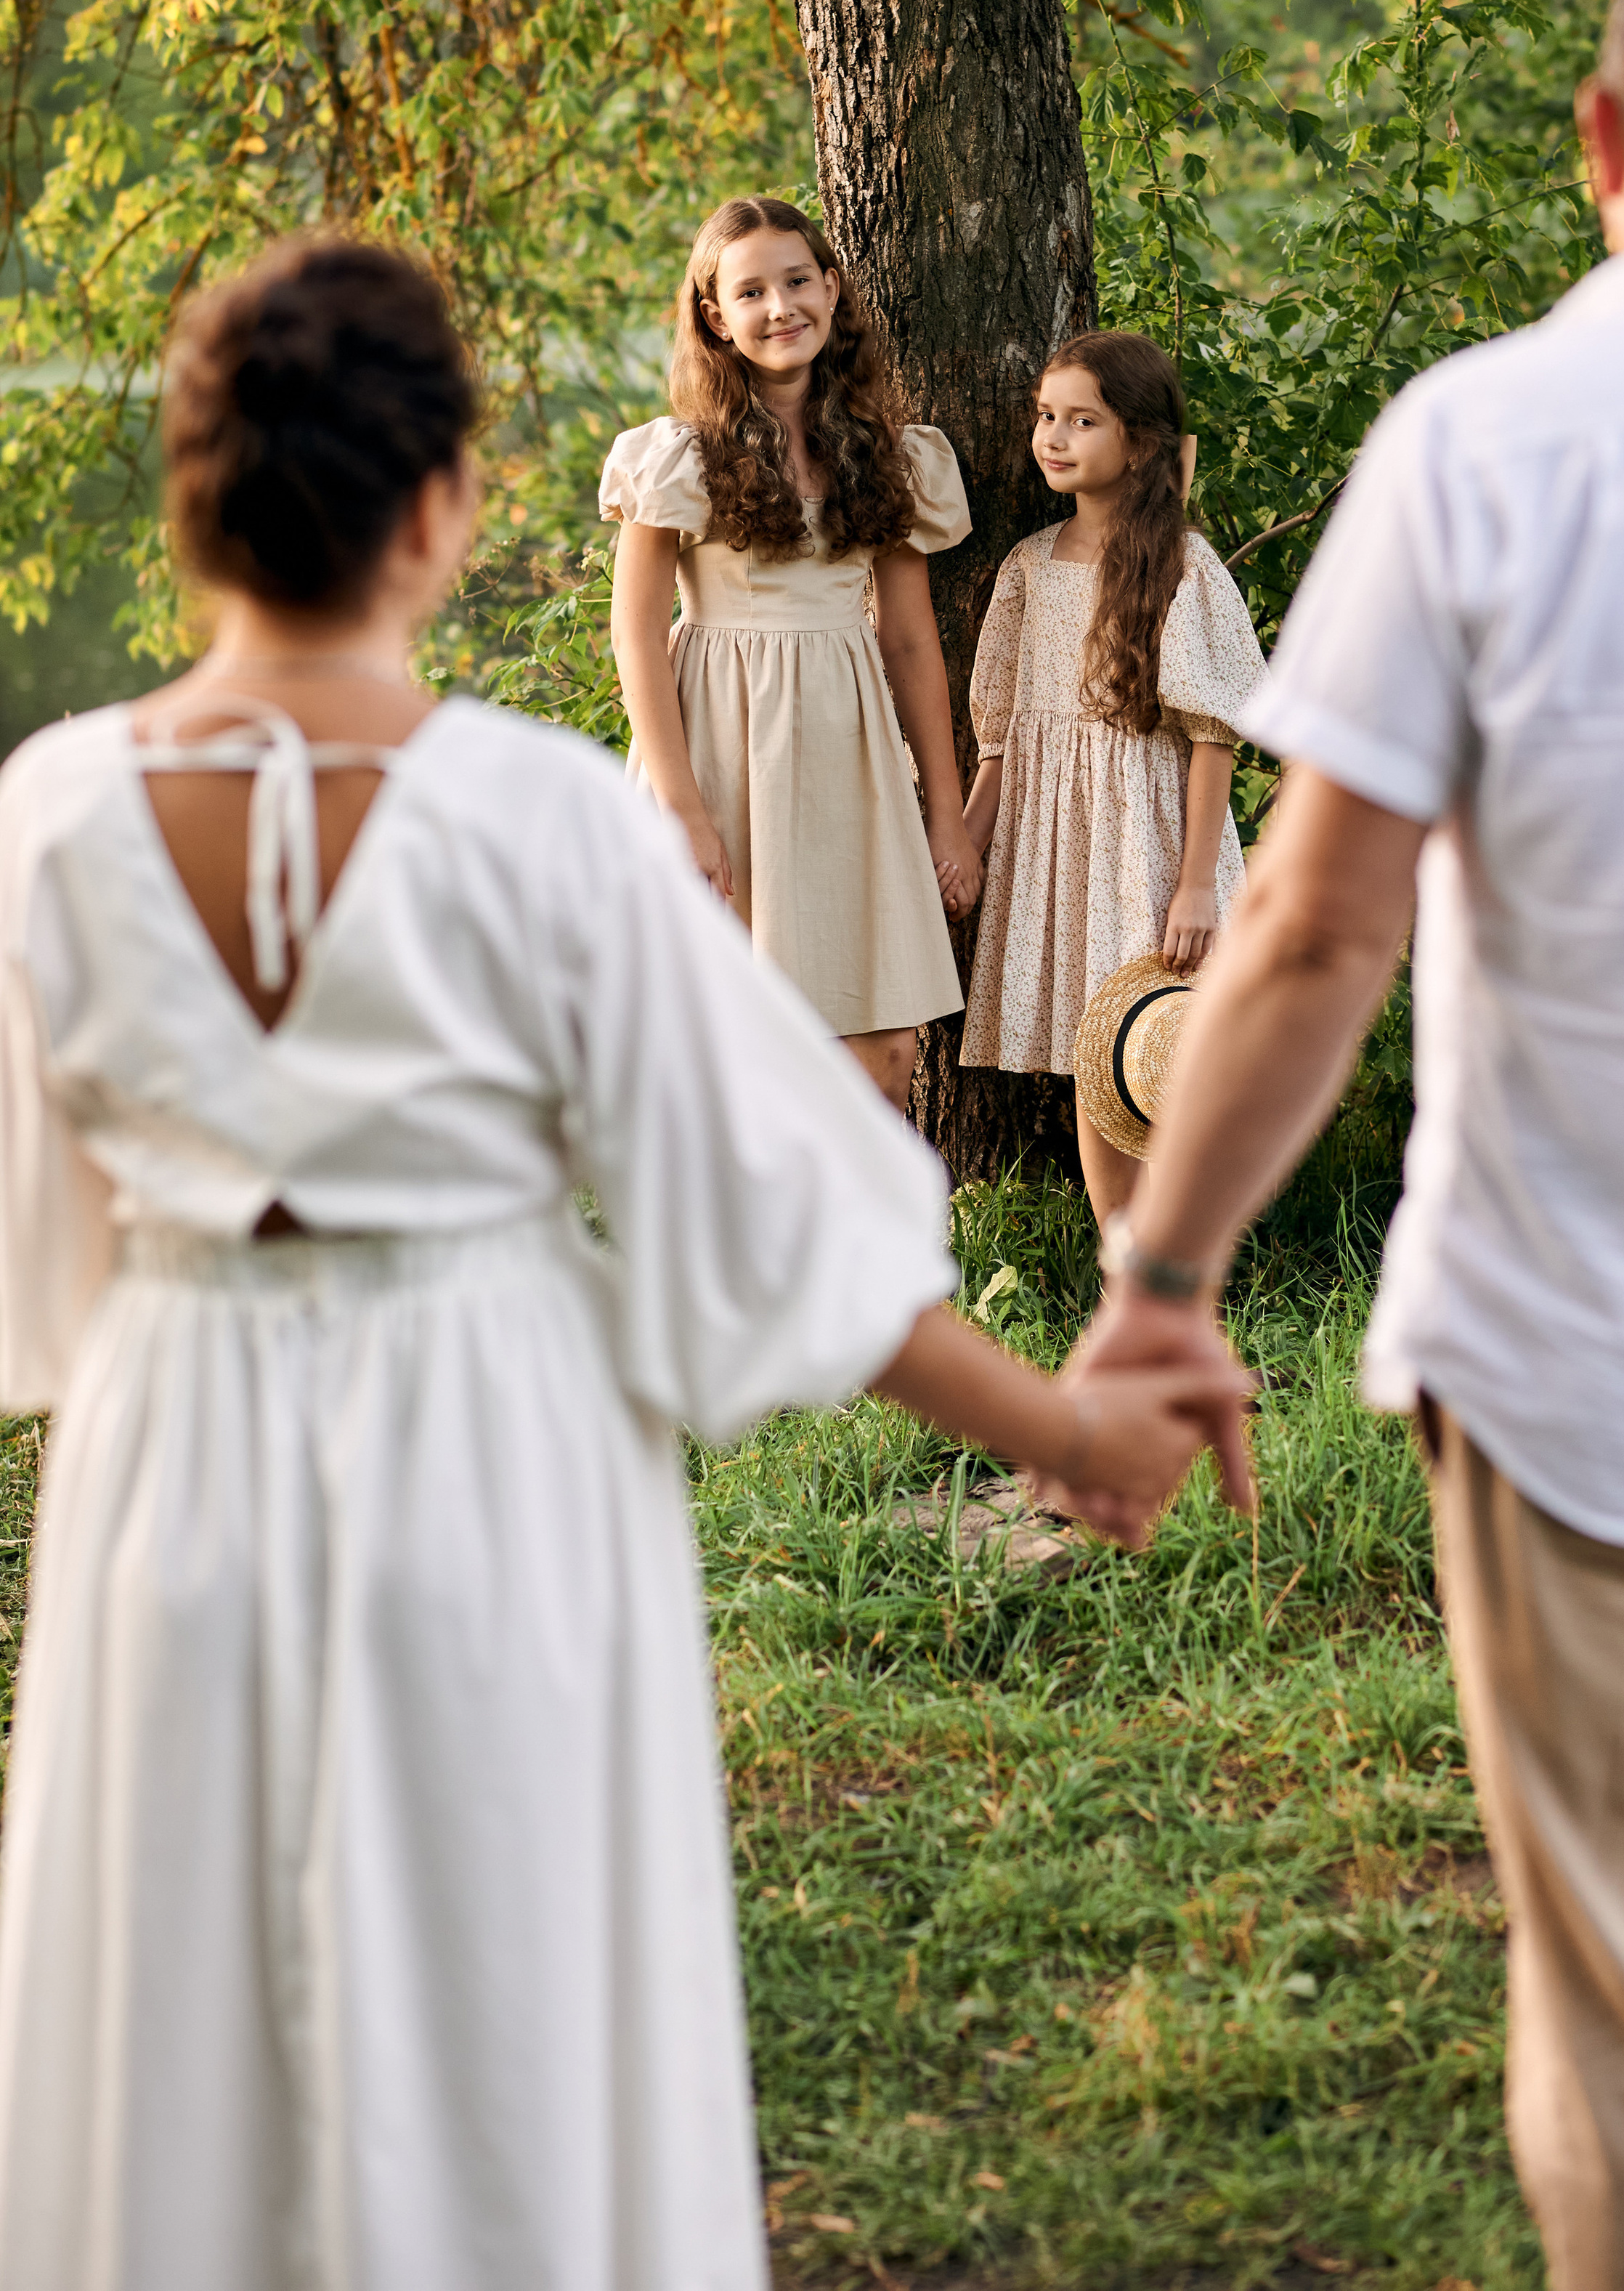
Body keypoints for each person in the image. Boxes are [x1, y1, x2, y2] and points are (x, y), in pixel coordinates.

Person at [0, 233, 1249, 2291]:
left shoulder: (51, 812)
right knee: (505, 1999)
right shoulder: (537, 818)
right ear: (446, 506)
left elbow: (45, 1267)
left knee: (186, 1982)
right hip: (491, 1448)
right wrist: (1075, 1422)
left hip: (179, 1458)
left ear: (194, 504)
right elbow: (774, 1223)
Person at [1059, 0, 1624, 2291]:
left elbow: (1312, 929)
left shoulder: (1489, 441)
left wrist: (1166, 1276)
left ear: (1607, 138)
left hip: (1595, 1365)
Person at [603, 195, 983, 1112]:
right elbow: (635, 637)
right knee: (722, 1041)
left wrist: (945, 814)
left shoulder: (891, 456)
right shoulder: (680, 458)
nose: (781, 309)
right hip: (718, 750)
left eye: (797, 281)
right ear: (715, 317)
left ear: (831, 288)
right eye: (751, 292)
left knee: (884, 1048)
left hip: (847, 755)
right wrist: (683, 811)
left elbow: (907, 640)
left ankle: (872, 1252)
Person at [957, 331, 1267, 1226]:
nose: (1052, 437)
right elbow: (1004, 739)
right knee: (1107, 1057)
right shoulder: (1026, 565)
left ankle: (1185, 1261)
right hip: (1060, 856)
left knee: (1163, 1045)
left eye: (1080, 421)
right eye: (1045, 418)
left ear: (1136, 440)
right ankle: (1118, 1259)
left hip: (1152, 847)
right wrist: (965, 851)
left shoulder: (1182, 565)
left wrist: (1197, 884)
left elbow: (1214, 734)